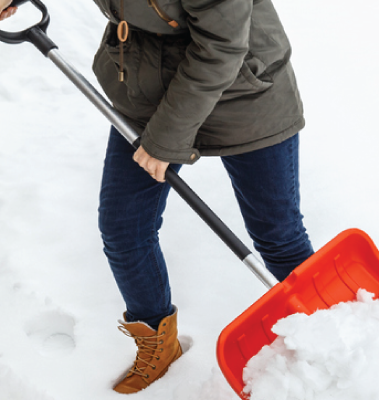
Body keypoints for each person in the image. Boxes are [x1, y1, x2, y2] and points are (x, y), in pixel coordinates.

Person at [2, 0, 315, 394]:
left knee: (278, 236)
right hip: (148, 86)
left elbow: (222, 46)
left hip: (243, 93)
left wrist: (165, 140)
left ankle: (328, 340)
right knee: (123, 228)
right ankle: (157, 343)